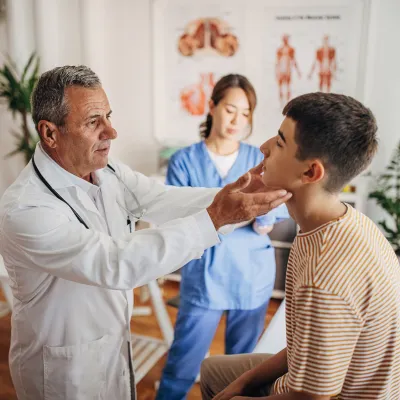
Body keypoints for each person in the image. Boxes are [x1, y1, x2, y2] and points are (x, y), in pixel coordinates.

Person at [0, 66, 292, 400]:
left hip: (111, 345)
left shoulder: (107, 170)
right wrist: (216, 216)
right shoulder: (27, 209)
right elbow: (115, 263)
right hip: (64, 368)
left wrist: (231, 194)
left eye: (108, 116)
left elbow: (160, 199)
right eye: (94, 121)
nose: (112, 131)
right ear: (50, 133)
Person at [200, 92, 400, 400]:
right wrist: (243, 381)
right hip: (311, 378)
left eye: (280, 142)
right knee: (215, 371)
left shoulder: (325, 275)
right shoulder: (343, 221)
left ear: (310, 172)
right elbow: (304, 347)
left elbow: (313, 397)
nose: (264, 147)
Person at [156, 74, 290, 400]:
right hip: (204, 277)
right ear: (213, 106)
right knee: (182, 366)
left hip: (252, 276)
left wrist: (267, 215)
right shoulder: (184, 161)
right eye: (231, 109)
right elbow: (176, 215)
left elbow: (280, 206)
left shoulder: (260, 159)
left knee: (240, 373)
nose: (237, 120)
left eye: (245, 114)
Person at [275, 34, 301, 106]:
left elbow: (294, 60)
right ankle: (281, 103)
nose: (285, 41)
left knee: (288, 86)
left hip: (287, 70)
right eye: (284, 39)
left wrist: (298, 71)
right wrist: (276, 72)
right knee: (280, 87)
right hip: (281, 69)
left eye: (286, 39)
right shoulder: (279, 49)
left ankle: (287, 102)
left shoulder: (291, 49)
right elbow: (277, 62)